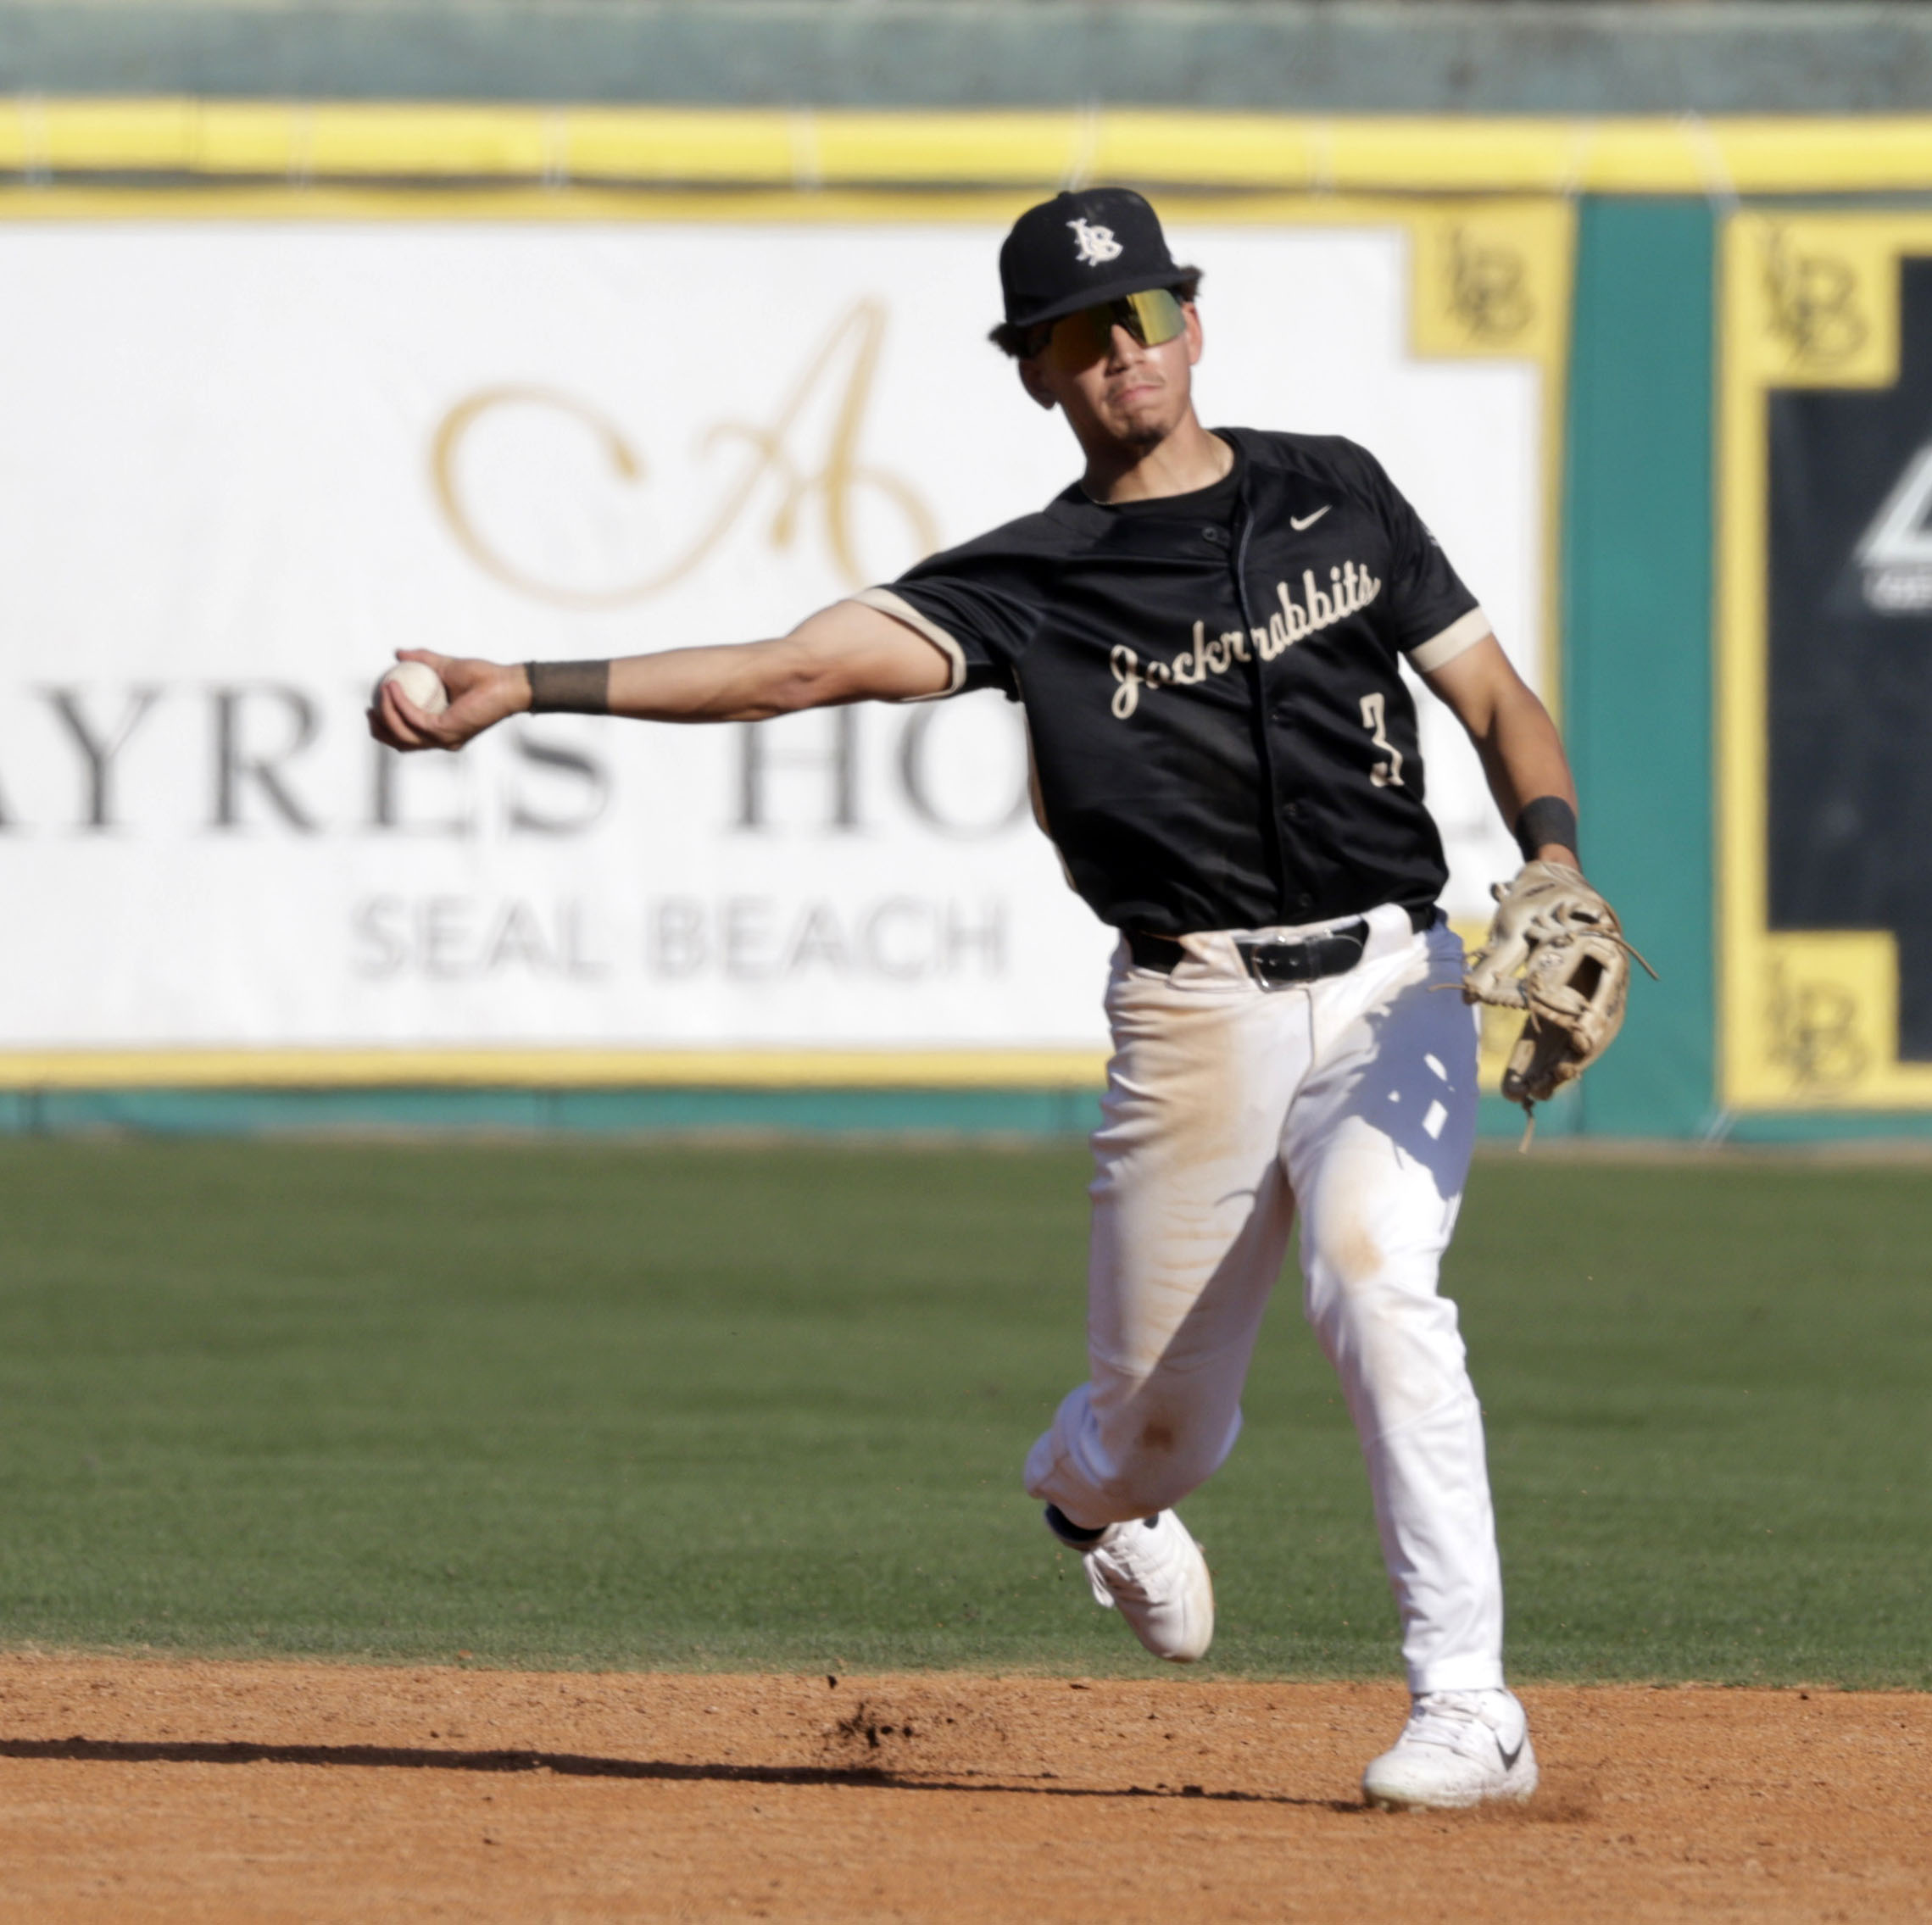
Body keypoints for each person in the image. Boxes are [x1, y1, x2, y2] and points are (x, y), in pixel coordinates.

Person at [371, 186, 1615, 1811]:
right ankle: (1092, 1502)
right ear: (1034, 371)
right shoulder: (1034, 581)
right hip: (1194, 1015)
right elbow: (793, 669)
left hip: (1399, 982)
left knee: (1379, 1284)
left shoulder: (1338, 494)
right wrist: (529, 685)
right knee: (1159, 1433)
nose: (1124, 354)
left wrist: (1558, 858)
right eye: (1081, 336)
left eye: (1147, 314)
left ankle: (1471, 1706)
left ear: (1193, 318)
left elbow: (1496, 698)